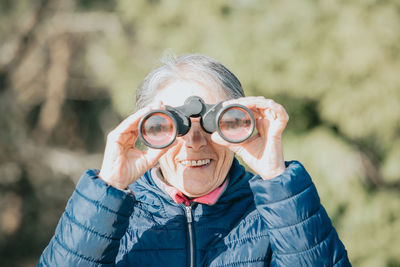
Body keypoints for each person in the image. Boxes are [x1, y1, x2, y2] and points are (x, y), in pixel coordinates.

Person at [39, 54, 351, 266]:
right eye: (168, 126)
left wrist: (276, 178)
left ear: (240, 123)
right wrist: (108, 188)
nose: (194, 142)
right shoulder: (116, 220)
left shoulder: (273, 213)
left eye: (218, 123)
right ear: (142, 129)